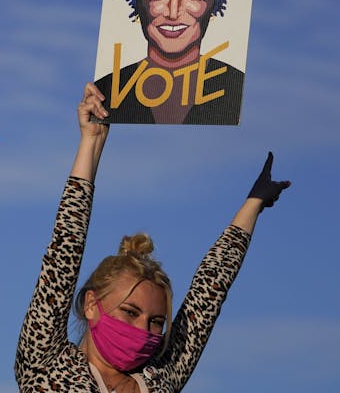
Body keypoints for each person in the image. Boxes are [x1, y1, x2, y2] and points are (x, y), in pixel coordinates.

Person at [15, 83, 290, 392]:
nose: (143, 330)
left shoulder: (160, 378)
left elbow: (208, 294)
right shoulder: (47, 365)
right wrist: (89, 144)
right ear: (92, 304)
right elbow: (63, 254)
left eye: (156, 322)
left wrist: (253, 205)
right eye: (130, 312)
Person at [95, 0, 243, 125]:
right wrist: (92, 136)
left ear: (213, 5)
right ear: (138, 4)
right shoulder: (106, 93)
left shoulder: (235, 87)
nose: (173, 13)